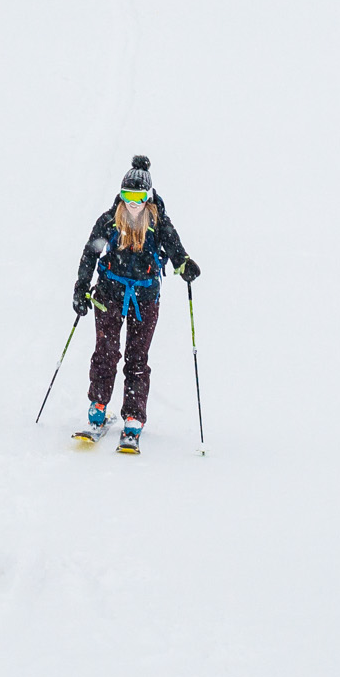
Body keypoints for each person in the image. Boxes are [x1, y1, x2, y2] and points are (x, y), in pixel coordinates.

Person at [71, 154, 198, 453]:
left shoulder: (158, 223)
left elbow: (177, 253)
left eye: (139, 197)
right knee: (105, 351)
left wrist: (186, 266)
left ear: (148, 196)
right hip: (108, 295)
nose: (133, 203)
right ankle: (98, 406)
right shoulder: (109, 220)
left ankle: (133, 418)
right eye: (128, 196)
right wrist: (80, 287)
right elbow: (90, 253)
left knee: (137, 359)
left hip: (145, 296)